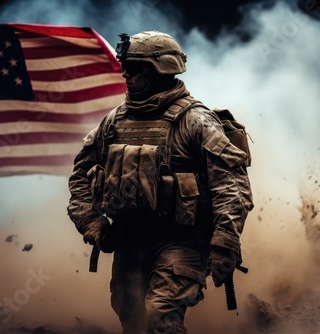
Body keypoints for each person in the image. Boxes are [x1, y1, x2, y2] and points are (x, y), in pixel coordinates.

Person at [67, 30, 254, 334]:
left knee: (160, 319)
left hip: (181, 241)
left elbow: (230, 187)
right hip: (129, 241)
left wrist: (225, 242)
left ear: (160, 69)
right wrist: (92, 223)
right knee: (132, 319)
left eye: (135, 67)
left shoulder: (195, 121)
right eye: (125, 65)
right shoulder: (115, 121)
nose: (125, 73)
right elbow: (80, 175)